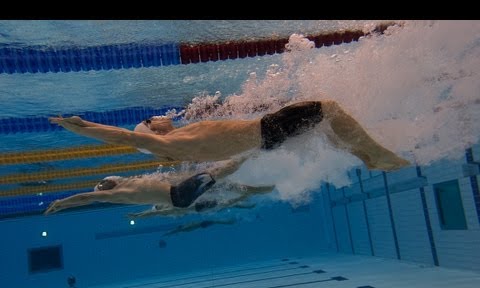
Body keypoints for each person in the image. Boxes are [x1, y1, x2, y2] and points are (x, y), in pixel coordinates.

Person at [49, 100, 410, 171]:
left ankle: (363, 156)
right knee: (327, 109)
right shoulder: (167, 142)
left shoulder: (182, 137)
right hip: (266, 130)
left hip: (264, 136)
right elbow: (125, 138)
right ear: (150, 132)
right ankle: (376, 154)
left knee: (324, 123)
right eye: (152, 120)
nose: (159, 118)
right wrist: (81, 126)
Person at [44, 156, 271, 215]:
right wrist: (62, 203)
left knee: (218, 176)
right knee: (217, 173)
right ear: (105, 189)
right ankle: (248, 154)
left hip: (178, 195)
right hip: (179, 196)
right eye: (101, 184)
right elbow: (86, 198)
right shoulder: (118, 194)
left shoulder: (128, 185)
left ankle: (263, 182)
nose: (104, 181)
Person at [128, 183, 274, 218]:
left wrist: (140, 213)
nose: (158, 204)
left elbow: (151, 211)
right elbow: (153, 213)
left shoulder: (165, 203)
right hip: (199, 205)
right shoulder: (169, 209)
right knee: (227, 195)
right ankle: (257, 190)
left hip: (198, 201)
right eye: (158, 206)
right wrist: (139, 216)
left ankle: (254, 191)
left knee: (227, 194)